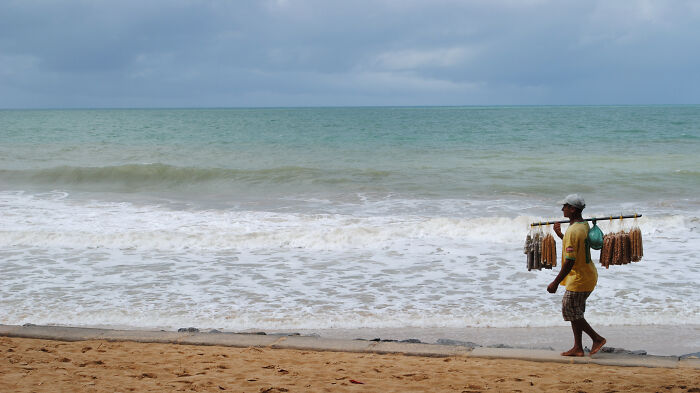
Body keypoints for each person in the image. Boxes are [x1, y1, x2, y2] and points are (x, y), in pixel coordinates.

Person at [547, 194, 606, 357]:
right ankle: (578, 348)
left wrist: (555, 282)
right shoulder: (583, 225)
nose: (562, 209)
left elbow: (570, 261)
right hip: (587, 275)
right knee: (575, 313)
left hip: (579, 278)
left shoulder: (573, 231)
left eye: (565, 206)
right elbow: (575, 247)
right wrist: (560, 235)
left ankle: (597, 338)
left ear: (572, 209)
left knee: (569, 310)